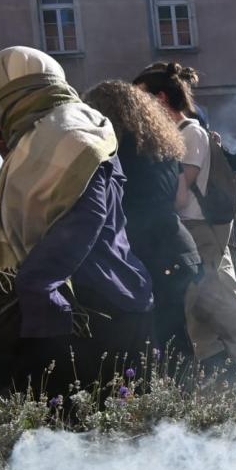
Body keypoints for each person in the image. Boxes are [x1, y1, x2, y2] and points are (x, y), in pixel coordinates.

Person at [0, 47, 153, 395]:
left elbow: (85, 218)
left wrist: (37, 286)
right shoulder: (43, 137)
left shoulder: (70, 136)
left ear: (14, 98)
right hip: (86, 300)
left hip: (90, 307)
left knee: (87, 418)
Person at [133, 62, 236, 380]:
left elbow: (180, 196)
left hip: (198, 226)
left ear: (161, 98)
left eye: (142, 98)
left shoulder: (190, 133)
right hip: (195, 226)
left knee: (206, 300)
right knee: (214, 296)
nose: (138, 106)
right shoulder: (182, 133)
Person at [83, 80, 201, 357]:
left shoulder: (112, 150)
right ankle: (183, 384)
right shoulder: (162, 145)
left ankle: (171, 385)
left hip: (145, 251)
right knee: (174, 330)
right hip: (178, 246)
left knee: (153, 335)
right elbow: (180, 199)